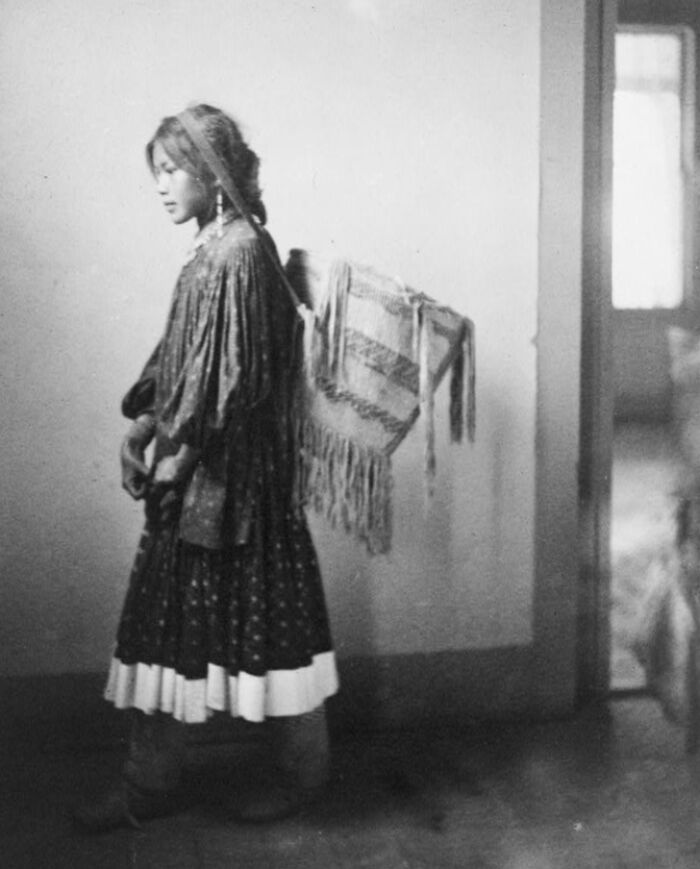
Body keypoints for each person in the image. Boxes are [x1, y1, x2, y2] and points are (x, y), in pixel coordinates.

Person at [74, 103, 339, 832]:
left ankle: (301, 775)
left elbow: (238, 378)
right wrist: (145, 422)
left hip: (240, 485)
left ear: (214, 174)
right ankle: (148, 783)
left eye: (173, 170)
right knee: (170, 630)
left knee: (275, 630)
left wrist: (177, 456)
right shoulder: (210, 249)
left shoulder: (241, 252)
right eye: (155, 172)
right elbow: (189, 361)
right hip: (201, 476)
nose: (161, 186)